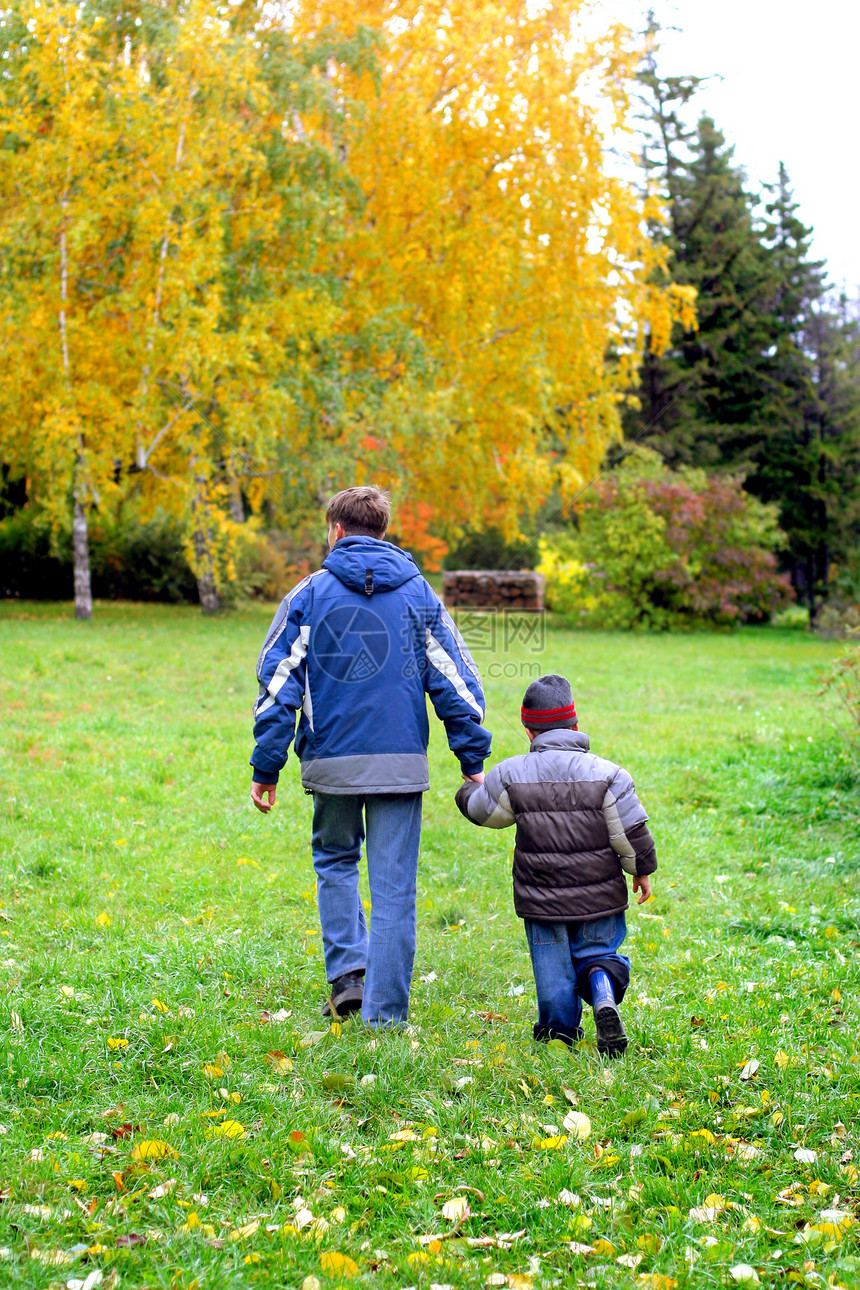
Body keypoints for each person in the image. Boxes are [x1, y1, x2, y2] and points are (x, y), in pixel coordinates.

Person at [250, 485, 491, 1028]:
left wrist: (267, 766)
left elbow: (277, 684)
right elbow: (457, 681)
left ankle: (348, 979)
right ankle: (385, 1016)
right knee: (394, 889)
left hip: (330, 762)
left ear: (335, 531)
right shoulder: (420, 595)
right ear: (382, 531)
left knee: (335, 862)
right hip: (400, 764)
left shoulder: (307, 595)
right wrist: (471, 755)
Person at [454, 673, 656, 1057]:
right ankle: (601, 989)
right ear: (576, 726)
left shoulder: (511, 774)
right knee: (598, 953)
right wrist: (640, 869)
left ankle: (559, 1033)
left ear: (529, 731)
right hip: (600, 896)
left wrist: (468, 789)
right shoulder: (609, 774)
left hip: (541, 900)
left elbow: (485, 813)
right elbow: (630, 831)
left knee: (551, 969)